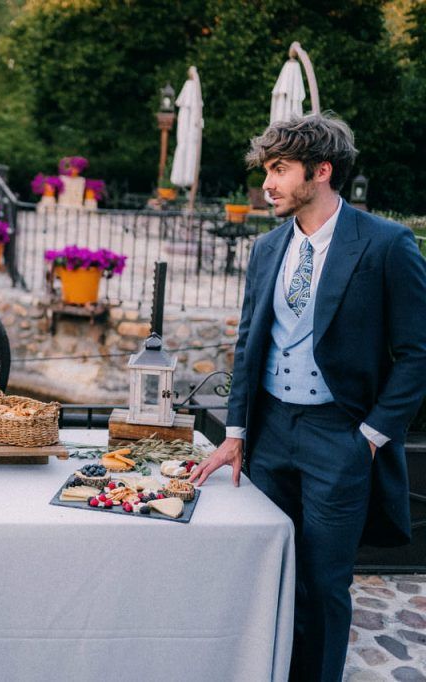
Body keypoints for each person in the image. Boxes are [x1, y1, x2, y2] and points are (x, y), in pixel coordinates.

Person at [189, 114, 426, 681]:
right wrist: (237, 434)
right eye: (267, 170)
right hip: (270, 436)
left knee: (323, 582)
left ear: (321, 171)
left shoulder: (386, 244)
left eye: (279, 170)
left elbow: (418, 353)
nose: (267, 183)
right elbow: (250, 342)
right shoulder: (269, 247)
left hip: (338, 437)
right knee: (269, 570)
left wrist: (368, 438)